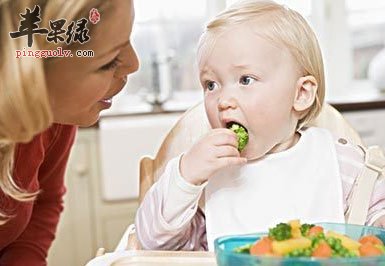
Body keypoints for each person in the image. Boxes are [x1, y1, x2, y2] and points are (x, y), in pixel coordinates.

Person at [135, 0, 385, 251]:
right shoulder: (205, 178)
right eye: (211, 85)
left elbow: (376, 217)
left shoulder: (340, 161)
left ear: (301, 94)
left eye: (245, 80)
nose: (223, 100)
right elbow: (154, 244)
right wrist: (185, 177)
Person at [0, 0, 138, 264]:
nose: (134, 64)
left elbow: (44, 202)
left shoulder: (55, 118)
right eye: (108, 62)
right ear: (27, 73)